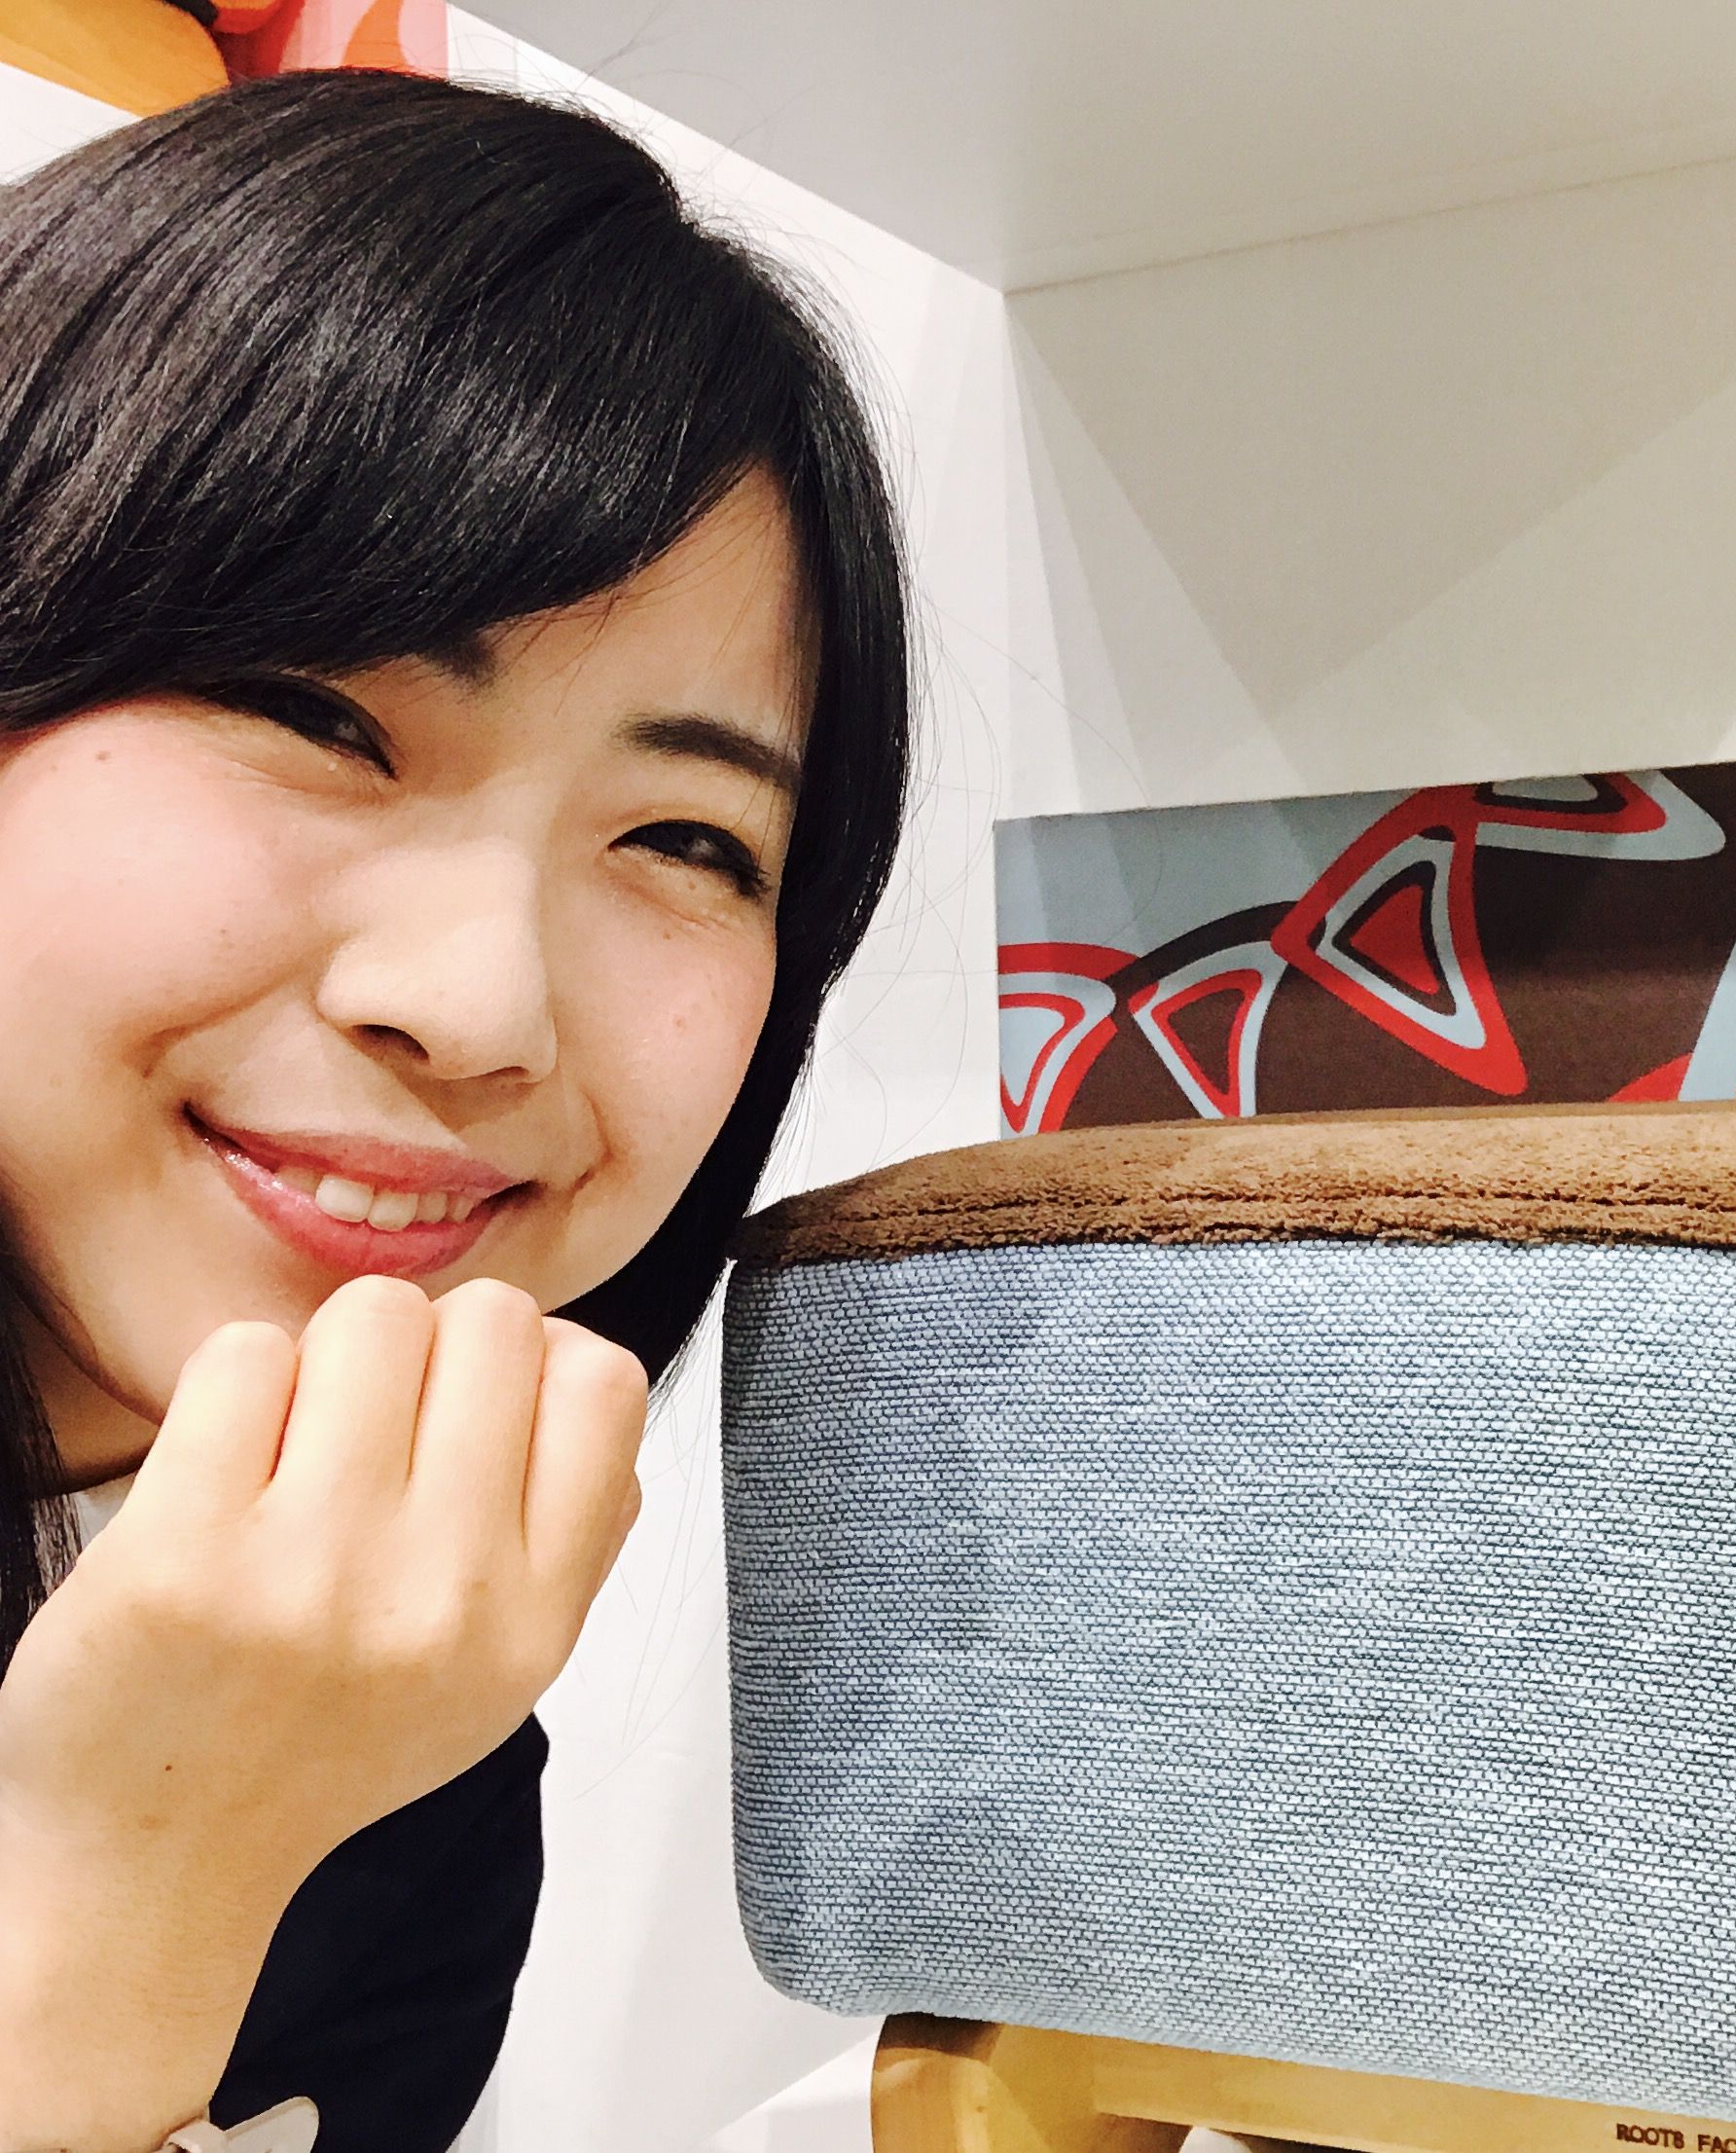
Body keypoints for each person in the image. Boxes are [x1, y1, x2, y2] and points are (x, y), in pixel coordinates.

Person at [0, 64, 911, 2153]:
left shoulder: (406, 1744)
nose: (483, 1005)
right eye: (317, 711)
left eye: (685, 840)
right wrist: (108, 1902)